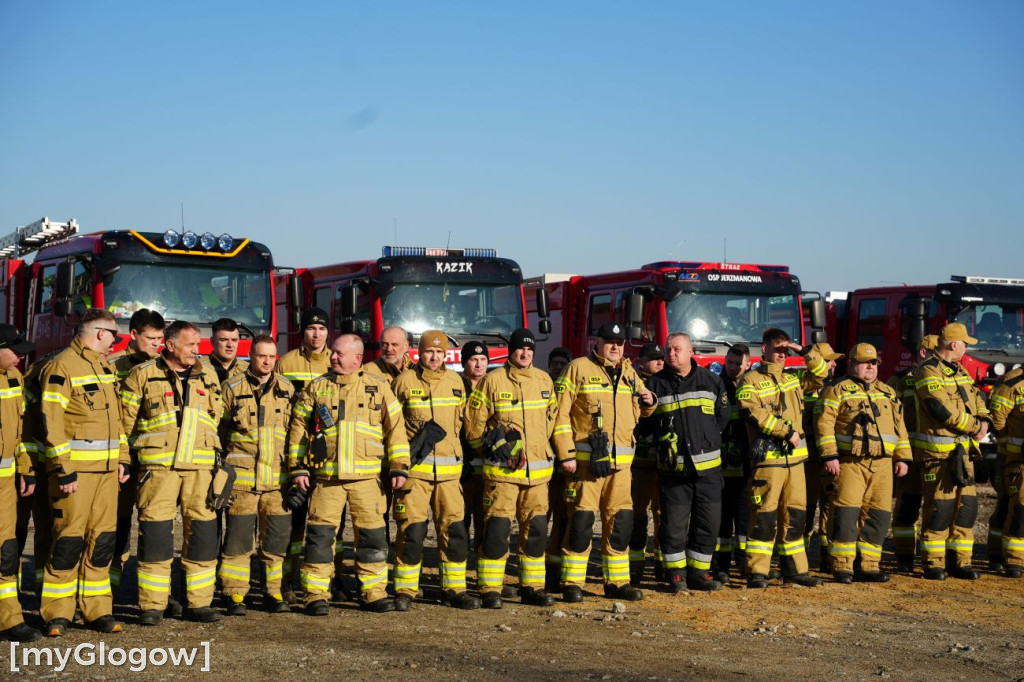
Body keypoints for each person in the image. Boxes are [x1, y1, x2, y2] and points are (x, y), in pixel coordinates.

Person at [289, 335, 409, 615]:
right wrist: (298, 467)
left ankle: (373, 593)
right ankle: (315, 595)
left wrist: (399, 466)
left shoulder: (379, 387)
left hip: (366, 480)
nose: (332, 357)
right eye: (333, 352)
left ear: (357, 358)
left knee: (372, 539)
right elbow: (299, 429)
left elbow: (396, 429)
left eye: (339, 353)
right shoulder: (317, 386)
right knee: (320, 538)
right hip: (327, 480)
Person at [121, 320, 225, 625]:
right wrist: (125, 460)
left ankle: (198, 603)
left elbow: (215, 417)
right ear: (169, 345)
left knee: (202, 536)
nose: (197, 350)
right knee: (155, 536)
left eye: (198, 344)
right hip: (159, 470)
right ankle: (152, 605)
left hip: (200, 470)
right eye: (191, 344)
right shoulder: (142, 374)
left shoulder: (208, 374)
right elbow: (124, 424)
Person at [39, 309, 128, 636]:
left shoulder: (105, 366)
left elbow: (116, 420)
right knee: (68, 541)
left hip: (107, 474)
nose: (116, 341)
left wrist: (123, 458)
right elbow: (51, 422)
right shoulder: (62, 366)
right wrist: (63, 470)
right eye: (114, 335)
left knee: (102, 542)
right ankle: (57, 614)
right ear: (101, 333)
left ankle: (97, 611)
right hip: (75, 475)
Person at [554, 323, 657, 603]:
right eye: (609, 341)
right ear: (596, 343)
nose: (615, 347)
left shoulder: (629, 373)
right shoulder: (577, 368)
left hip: (621, 468)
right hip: (585, 466)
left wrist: (650, 401)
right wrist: (566, 455)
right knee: (581, 523)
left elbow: (642, 409)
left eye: (619, 343)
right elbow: (559, 415)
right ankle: (572, 583)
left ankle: (617, 583)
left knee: (620, 524)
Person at [465, 329, 558, 609]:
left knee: (536, 531)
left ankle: (532, 587)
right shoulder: (492, 381)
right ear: (511, 351)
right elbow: (473, 427)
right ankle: (490, 588)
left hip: (537, 476)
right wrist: (490, 450)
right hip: (502, 475)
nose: (525, 353)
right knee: (496, 529)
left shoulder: (544, 380)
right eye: (520, 348)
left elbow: (551, 422)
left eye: (529, 349)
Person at [391, 331, 480, 610]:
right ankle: (405, 589)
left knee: (454, 532)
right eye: (429, 351)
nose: (434, 357)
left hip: (450, 475)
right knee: (412, 531)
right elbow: (392, 427)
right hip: (415, 473)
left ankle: (454, 589)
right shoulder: (403, 382)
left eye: (439, 353)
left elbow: (466, 425)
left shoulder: (457, 382)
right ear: (419, 353)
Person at [737, 328, 828, 588]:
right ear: (764, 348)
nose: (782, 354)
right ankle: (757, 572)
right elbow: (753, 413)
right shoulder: (750, 380)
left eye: (785, 350)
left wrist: (805, 351)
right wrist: (786, 431)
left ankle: (795, 571)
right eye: (778, 349)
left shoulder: (792, 378)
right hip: (768, 462)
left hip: (795, 462)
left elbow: (822, 374)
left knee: (795, 517)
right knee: (764, 517)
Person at [815, 343, 910, 583]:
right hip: (850, 463)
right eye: (864, 362)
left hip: (883, 465)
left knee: (878, 516)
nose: (870, 367)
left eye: (873, 363)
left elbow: (900, 429)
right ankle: (842, 566)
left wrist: (902, 457)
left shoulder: (888, 392)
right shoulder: (836, 389)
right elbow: (823, 424)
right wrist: (829, 456)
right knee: (845, 515)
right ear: (852, 364)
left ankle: (869, 566)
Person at [643, 333, 730, 592]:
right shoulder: (654, 384)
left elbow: (722, 417)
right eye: (668, 349)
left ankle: (699, 573)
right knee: (673, 526)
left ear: (690, 351)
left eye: (677, 349)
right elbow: (644, 424)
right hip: (674, 470)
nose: (671, 354)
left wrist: (708, 438)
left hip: (708, 471)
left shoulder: (711, 381)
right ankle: (676, 575)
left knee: (708, 524)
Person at [217, 335, 294, 615]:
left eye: (272, 357)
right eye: (262, 356)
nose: (267, 362)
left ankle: (274, 592)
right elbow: (219, 433)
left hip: (276, 484)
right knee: (238, 542)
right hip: (242, 483)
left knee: (275, 542)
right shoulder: (231, 388)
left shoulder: (287, 389)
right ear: (250, 355)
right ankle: (235, 594)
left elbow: (294, 434)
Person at [912, 323, 991, 580]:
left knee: (966, 509)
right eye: (965, 343)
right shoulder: (928, 370)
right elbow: (941, 410)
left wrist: (985, 420)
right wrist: (975, 426)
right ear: (954, 344)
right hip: (938, 456)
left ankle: (961, 562)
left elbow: (976, 398)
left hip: (963, 454)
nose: (967, 348)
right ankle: (933, 563)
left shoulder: (960, 370)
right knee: (939, 509)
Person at [107, 309, 166, 594]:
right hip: (121, 458)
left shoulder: (163, 368)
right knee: (117, 522)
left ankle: (149, 588)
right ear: (133, 334)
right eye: (151, 338)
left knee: (152, 523)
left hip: (152, 459)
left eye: (160, 338)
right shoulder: (112, 366)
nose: (157, 344)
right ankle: (111, 584)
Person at [276, 307, 331, 599]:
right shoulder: (286, 363)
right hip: (297, 449)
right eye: (311, 328)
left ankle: (332, 580)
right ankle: (286, 581)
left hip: (328, 453)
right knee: (294, 521)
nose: (316, 334)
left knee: (328, 524)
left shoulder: (336, 361)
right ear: (303, 331)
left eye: (321, 329)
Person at [0, 325, 41, 643]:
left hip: (5, 482)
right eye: (14, 351)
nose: (20, 357)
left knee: (6, 550)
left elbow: (22, 431)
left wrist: (26, 469)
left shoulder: (15, 378)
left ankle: (9, 619)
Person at [887, 334, 938, 572]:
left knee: (938, 508)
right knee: (908, 505)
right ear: (923, 353)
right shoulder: (898, 381)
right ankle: (905, 556)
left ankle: (934, 559)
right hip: (911, 456)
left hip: (936, 455)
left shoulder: (947, 379)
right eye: (935, 353)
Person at [803, 342, 843, 571]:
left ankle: (828, 558)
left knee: (831, 508)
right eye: (829, 361)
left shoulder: (838, 388)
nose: (834, 365)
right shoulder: (803, 385)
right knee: (806, 509)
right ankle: (801, 559)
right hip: (809, 459)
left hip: (831, 458)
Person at [713, 343, 751, 581]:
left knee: (746, 517)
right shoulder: (716, 384)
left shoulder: (752, 385)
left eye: (738, 364)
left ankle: (745, 563)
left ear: (748, 364)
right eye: (730, 362)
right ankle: (721, 566)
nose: (733, 367)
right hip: (723, 462)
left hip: (747, 462)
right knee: (723, 518)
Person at [629, 342, 665, 586]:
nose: (660, 362)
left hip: (663, 463)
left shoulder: (666, 383)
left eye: (662, 358)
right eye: (654, 358)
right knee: (638, 516)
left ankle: (662, 564)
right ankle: (635, 566)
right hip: (640, 463)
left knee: (663, 515)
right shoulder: (633, 384)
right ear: (641, 361)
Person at [989, 364, 1024, 578]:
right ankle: (1009, 558)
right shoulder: (1012, 383)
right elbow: (997, 417)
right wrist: (1006, 444)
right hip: (1015, 459)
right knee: (1015, 507)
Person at [544, 347, 574, 592]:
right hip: (543, 467)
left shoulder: (572, 392)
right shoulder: (540, 388)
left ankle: (554, 572)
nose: (558, 367)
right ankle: (536, 571)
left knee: (563, 520)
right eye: (554, 363)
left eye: (563, 363)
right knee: (539, 518)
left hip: (564, 467)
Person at [459, 340, 490, 551]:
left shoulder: (494, 383)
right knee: (460, 517)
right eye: (473, 359)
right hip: (463, 465)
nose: (479, 364)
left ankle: (481, 562)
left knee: (485, 519)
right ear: (464, 362)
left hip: (487, 465)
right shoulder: (456, 385)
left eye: (483, 359)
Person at [206, 317, 249, 384]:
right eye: (224, 340)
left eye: (234, 340)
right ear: (212, 341)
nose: (230, 345)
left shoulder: (249, 371)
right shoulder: (198, 369)